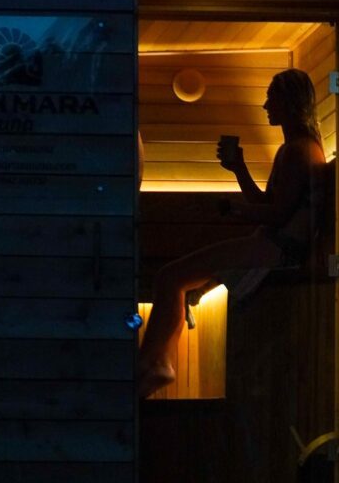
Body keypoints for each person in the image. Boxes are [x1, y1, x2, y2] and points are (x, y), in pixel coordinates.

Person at [138, 68, 327, 399]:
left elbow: (279, 214)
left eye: (272, 97)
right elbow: (269, 203)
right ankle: (158, 361)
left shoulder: (300, 150)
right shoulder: (294, 148)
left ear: (290, 102)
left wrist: (234, 209)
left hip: (280, 247)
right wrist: (239, 168)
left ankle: (156, 363)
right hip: (272, 241)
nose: (266, 104)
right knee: (176, 280)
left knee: (171, 277)